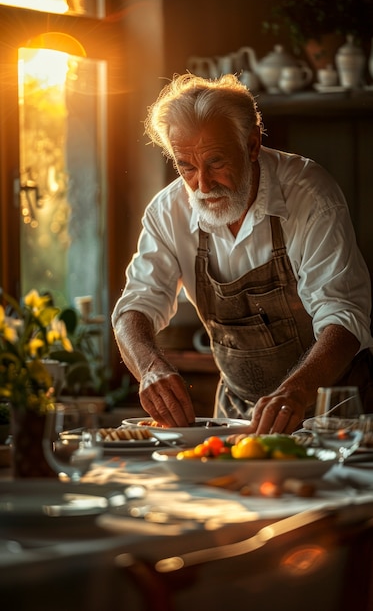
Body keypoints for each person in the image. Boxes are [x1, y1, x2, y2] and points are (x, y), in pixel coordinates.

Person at [112, 73, 373, 434]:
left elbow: (343, 318)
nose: (202, 185)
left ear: (251, 145)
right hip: (238, 415)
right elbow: (133, 309)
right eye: (186, 166)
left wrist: (294, 394)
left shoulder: (309, 194)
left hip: (335, 412)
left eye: (216, 162)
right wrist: (150, 367)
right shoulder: (167, 211)